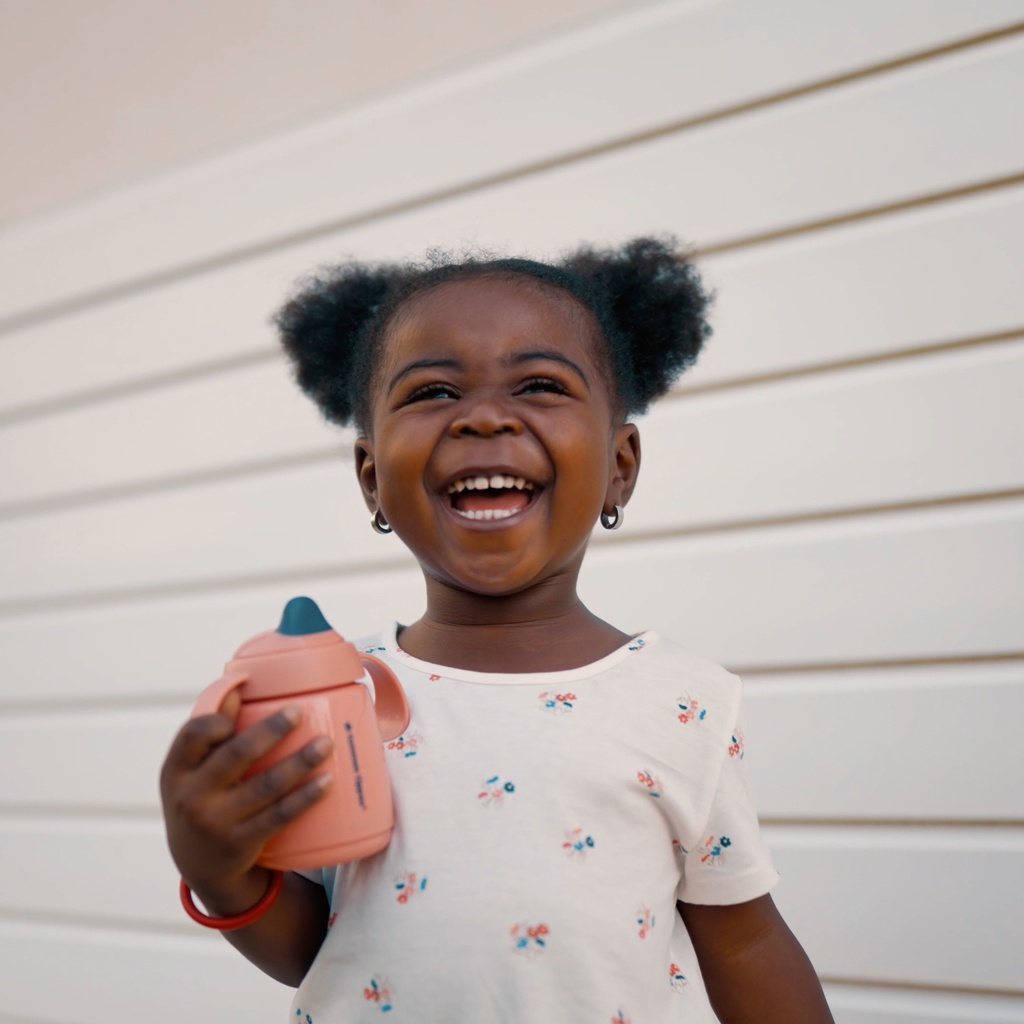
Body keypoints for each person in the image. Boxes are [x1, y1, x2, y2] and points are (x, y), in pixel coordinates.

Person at [160, 237, 835, 1022]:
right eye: (433, 392)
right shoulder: (338, 695)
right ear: (372, 478)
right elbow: (316, 947)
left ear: (620, 465)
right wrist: (217, 869)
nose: (483, 417)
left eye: (541, 384)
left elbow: (746, 942)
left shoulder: (684, 702)